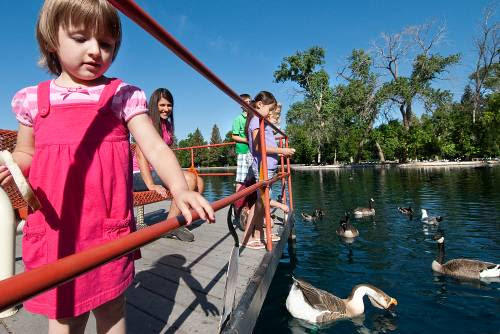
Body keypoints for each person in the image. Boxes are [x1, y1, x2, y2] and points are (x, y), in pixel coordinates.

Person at [0, 1, 214, 333]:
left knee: (112, 306)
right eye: (81, 38)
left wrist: (180, 187)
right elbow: (27, 152)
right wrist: (13, 164)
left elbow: (154, 145)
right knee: (64, 314)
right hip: (56, 228)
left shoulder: (121, 96)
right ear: (51, 40)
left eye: (105, 43)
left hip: (106, 228)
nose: (95, 51)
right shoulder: (33, 99)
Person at [133, 88, 204, 242]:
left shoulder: (167, 126)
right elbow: (140, 155)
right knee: (189, 179)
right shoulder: (147, 123)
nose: (166, 109)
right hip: (138, 175)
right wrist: (151, 184)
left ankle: (174, 221)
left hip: (157, 172)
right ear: (154, 105)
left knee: (198, 181)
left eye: (169, 105)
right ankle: (169, 226)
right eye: (162, 105)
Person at [241, 91, 295, 250]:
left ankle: (259, 234)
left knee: (262, 202)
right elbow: (258, 147)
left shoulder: (260, 120)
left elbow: (264, 144)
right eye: (269, 109)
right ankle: (246, 238)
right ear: (260, 105)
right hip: (262, 166)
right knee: (259, 203)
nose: (271, 113)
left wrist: (278, 152)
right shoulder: (256, 121)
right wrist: (282, 151)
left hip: (268, 166)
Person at [231, 93, 252, 192]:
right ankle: (238, 205)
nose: (248, 104)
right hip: (243, 151)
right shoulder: (238, 119)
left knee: (253, 177)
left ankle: (251, 203)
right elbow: (234, 136)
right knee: (241, 179)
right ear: (241, 105)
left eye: (250, 102)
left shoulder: (254, 117)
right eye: (246, 102)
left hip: (254, 150)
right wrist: (248, 141)